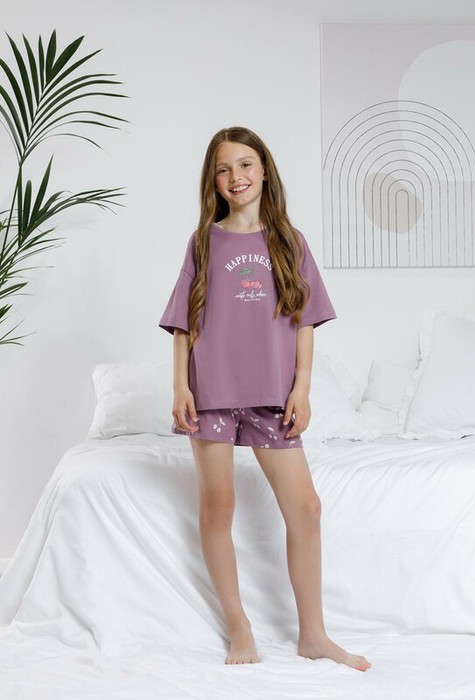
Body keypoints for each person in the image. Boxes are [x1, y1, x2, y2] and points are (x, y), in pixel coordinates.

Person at [158, 126, 371, 672]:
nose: (236, 177)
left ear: (265, 171)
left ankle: (314, 635)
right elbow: (183, 323)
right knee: (218, 507)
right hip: (211, 394)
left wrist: (302, 386)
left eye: (245, 164)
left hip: (272, 397)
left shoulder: (289, 242)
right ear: (213, 180)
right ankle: (239, 626)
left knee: (306, 507)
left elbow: (305, 321)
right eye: (223, 168)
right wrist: (181, 385)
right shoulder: (203, 242)